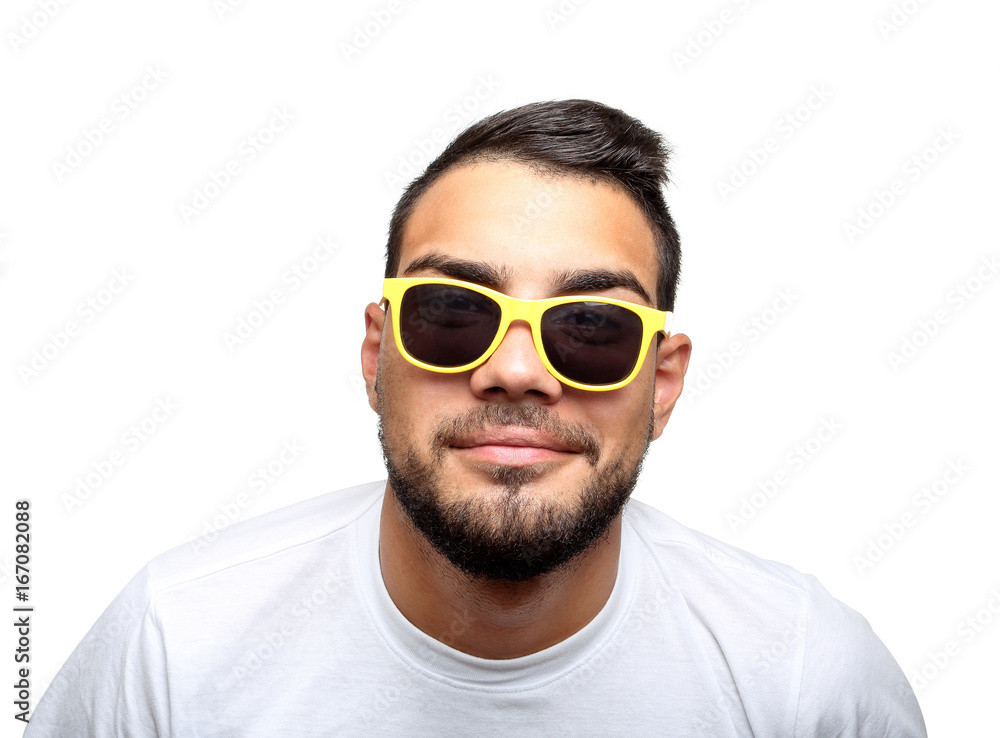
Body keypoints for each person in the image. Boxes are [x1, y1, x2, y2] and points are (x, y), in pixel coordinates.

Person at [26, 99, 926, 736]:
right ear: (377, 355)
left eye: (591, 326)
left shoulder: (805, 679)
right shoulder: (174, 647)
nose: (516, 372)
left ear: (661, 383)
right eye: (453, 312)